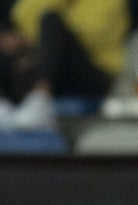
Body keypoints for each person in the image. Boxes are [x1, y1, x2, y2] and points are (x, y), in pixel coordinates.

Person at [0, 0, 129, 131]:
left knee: (51, 21)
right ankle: (3, 103)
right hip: (55, 70)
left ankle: (41, 98)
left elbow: (92, 34)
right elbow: (21, 14)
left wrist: (32, 39)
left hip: (95, 72)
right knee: (8, 44)